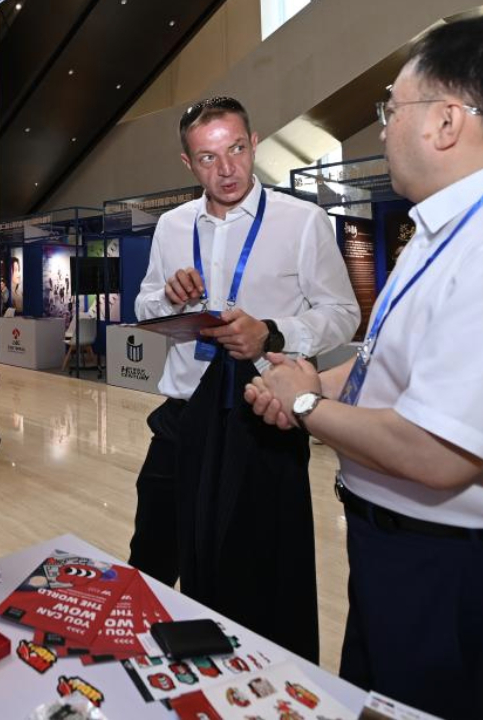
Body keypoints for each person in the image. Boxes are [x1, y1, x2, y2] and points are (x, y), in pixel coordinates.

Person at [244, 16, 483, 719]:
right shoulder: (456, 227)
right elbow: (404, 361)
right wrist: (314, 384)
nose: (384, 126)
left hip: (477, 579)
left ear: (447, 121)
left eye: (392, 107)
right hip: (419, 563)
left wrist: (305, 406)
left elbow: (440, 453)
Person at [130, 96, 359, 662]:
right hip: (183, 415)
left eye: (235, 149)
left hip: (264, 419)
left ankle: (258, 683)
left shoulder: (302, 220)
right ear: (188, 164)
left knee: (257, 573)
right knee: (153, 557)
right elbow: (144, 304)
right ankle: (147, 679)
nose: (226, 169)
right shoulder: (171, 225)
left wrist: (273, 334)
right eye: (208, 158)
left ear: (254, 143)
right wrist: (169, 298)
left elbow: (342, 312)